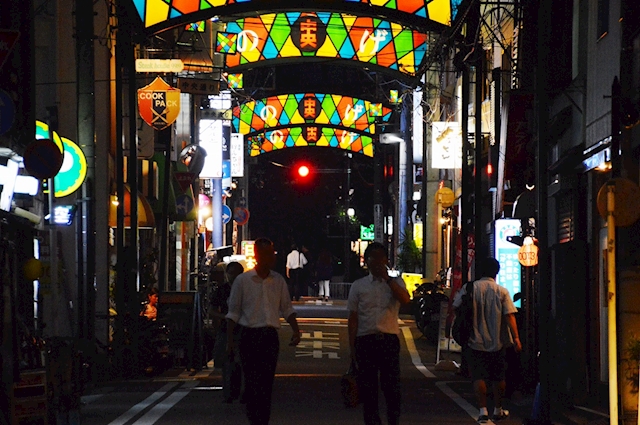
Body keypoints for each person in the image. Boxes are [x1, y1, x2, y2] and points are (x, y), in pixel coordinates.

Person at [226, 238, 302, 425]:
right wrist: (230, 343)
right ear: (258, 256)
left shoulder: (278, 281)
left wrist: (296, 330)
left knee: (267, 383)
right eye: (268, 253)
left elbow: (287, 308)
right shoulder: (243, 281)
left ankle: (262, 419)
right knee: (252, 381)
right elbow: (233, 313)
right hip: (249, 336)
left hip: (269, 337)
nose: (272, 257)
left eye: (272, 253)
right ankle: (254, 416)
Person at [347, 242, 411, 425]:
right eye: (372, 258)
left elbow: (406, 300)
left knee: (392, 388)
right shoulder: (358, 286)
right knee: (369, 390)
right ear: (366, 261)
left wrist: (388, 279)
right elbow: (353, 318)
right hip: (365, 341)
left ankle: (393, 421)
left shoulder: (396, 282)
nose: (376, 262)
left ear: (386, 260)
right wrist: (352, 349)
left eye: (380, 257)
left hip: (388, 340)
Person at [452, 257, 522, 424]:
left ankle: (483, 411)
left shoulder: (469, 289)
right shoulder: (502, 291)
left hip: (474, 340)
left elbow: (456, 307)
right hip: (497, 342)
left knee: (478, 376)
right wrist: (516, 339)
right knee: (499, 377)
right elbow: (509, 316)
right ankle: (498, 409)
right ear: (496, 272)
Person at [211, 261, 245, 403]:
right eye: (230, 273)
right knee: (227, 361)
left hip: (243, 329)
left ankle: (239, 391)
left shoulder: (246, 290)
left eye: (236, 273)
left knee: (241, 362)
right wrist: (224, 318)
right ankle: (229, 391)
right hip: (226, 329)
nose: (233, 276)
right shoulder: (222, 290)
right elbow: (212, 309)